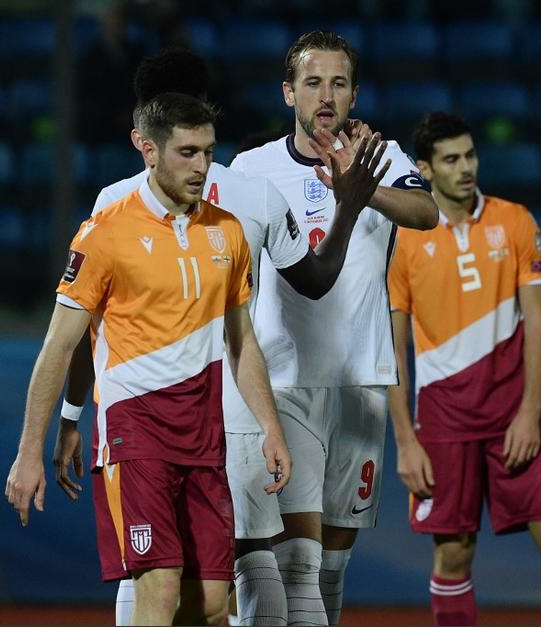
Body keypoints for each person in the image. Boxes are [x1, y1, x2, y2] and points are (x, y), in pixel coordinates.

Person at [52, 48, 388, 626]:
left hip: (143, 416)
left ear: (142, 126)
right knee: (256, 562)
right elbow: (314, 281)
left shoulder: (114, 202)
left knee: (157, 569)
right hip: (235, 408)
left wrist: (69, 414)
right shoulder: (254, 193)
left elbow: (84, 330)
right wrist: (349, 208)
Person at [5, 93, 293, 626]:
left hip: (205, 440)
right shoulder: (105, 234)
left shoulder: (227, 231)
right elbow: (57, 349)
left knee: (209, 603)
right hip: (136, 435)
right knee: (157, 590)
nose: (202, 166)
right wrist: (30, 451)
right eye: (187, 152)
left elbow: (242, 342)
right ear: (147, 150)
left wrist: (270, 428)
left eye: (208, 150)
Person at [229, 30, 439, 626]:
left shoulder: (381, 157)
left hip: (360, 385)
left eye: (338, 83)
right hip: (286, 383)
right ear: (288, 92)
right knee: (298, 565)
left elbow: (426, 213)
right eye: (313, 82)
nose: (326, 95)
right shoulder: (252, 168)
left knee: (329, 574)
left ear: (353, 95)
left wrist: (362, 191)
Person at [388, 112, 541, 626]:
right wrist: (405, 441)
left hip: (512, 415)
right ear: (425, 169)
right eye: (451, 159)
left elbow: (540, 323)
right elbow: (389, 350)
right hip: (442, 422)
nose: (465, 168)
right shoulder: (402, 240)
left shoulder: (515, 220)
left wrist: (531, 413)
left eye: (470, 155)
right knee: (453, 554)